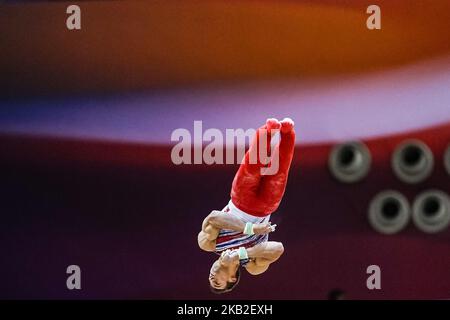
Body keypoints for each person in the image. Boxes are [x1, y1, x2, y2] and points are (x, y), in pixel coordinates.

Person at [197, 117, 295, 293]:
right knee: (280, 170)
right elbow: (278, 248)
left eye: (210, 280)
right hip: (266, 206)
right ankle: (288, 134)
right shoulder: (252, 266)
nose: (211, 278)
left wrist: (250, 229)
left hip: (241, 199)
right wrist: (241, 254)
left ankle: (268, 131)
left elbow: (214, 216)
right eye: (217, 283)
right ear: (232, 278)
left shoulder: (209, 244)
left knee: (252, 165)